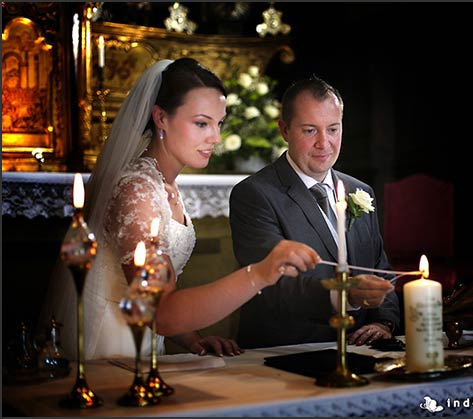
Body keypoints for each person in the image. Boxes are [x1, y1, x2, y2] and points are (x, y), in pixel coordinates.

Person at [39, 58, 320, 361]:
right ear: (160, 117)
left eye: (219, 123)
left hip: (145, 343)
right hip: (107, 347)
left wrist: (193, 341)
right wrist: (260, 274)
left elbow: (160, 298)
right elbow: (159, 310)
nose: (216, 137)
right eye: (202, 123)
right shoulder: (137, 192)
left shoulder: (164, 184)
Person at [229, 76, 400, 348]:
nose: (324, 143)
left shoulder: (361, 190)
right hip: (287, 353)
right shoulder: (255, 194)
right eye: (310, 130)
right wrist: (346, 296)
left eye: (332, 129)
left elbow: (380, 268)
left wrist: (384, 322)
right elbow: (273, 286)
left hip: (363, 349)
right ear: (284, 130)